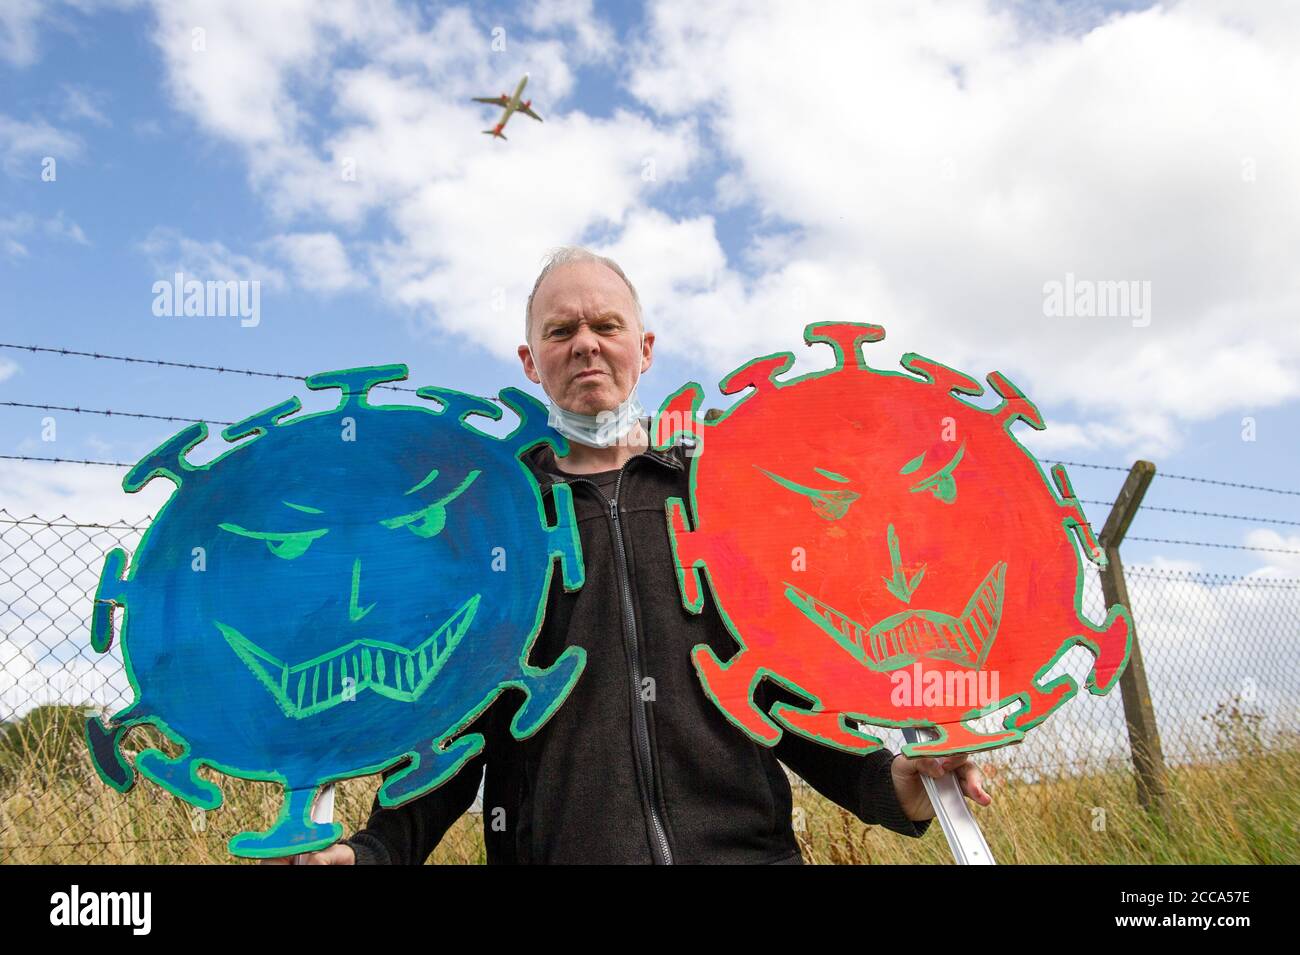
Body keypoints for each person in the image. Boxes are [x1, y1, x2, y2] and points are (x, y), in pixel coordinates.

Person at [268, 247, 991, 864]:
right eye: (561, 330)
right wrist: (376, 850)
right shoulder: (498, 526)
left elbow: (778, 689)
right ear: (531, 360)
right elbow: (465, 718)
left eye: (605, 324)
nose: (585, 342)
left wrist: (892, 778)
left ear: (644, 348)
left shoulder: (717, 502)